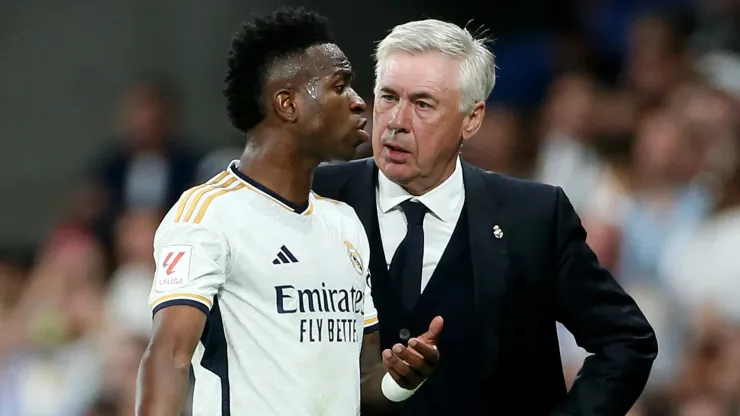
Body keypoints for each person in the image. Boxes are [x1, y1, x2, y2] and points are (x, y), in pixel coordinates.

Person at [313, 19, 658, 415]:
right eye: (389, 98)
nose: (396, 121)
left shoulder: (532, 217)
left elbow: (626, 340)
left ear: (472, 119)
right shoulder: (316, 197)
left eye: (422, 104)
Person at [135, 8, 441, 416]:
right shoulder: (208, 215)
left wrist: (403, 379)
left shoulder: (344, 223)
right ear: (288, 104)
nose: (359, 103)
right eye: (341, 86)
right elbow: (169, 356)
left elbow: (363, 377)